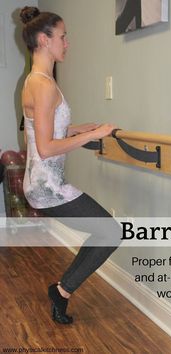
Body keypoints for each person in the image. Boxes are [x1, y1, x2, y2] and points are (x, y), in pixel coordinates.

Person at [20, 6, 120, 324]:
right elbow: (47, 148)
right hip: (47, 186)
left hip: (42, 184)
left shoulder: (37, 81)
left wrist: (79, 130)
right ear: (44, 39)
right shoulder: (44, 85)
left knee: (107, 231)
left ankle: (62, 290)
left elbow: (38, 134)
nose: (67, 43)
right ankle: (61, 291)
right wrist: (98, 134)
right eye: (63, 37)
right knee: (110, 232)